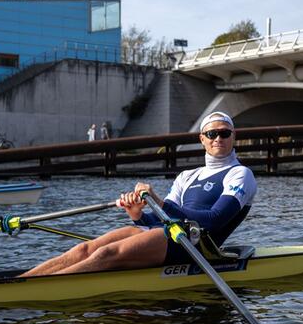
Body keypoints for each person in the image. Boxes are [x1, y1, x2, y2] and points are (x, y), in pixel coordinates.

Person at [21, 112, 257, 277]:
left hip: (198, 244)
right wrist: (139, 216)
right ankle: (23, 281)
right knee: (84, 249)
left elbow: (215, 219)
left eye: (225, 133)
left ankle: (37, 290)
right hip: (171, 234)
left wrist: (157, 201)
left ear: (233, 136)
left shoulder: (240, 174)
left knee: (107, 253)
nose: (218, 139)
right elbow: (163, 217)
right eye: (212, 133)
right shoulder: (187, 176)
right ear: (202, 139)